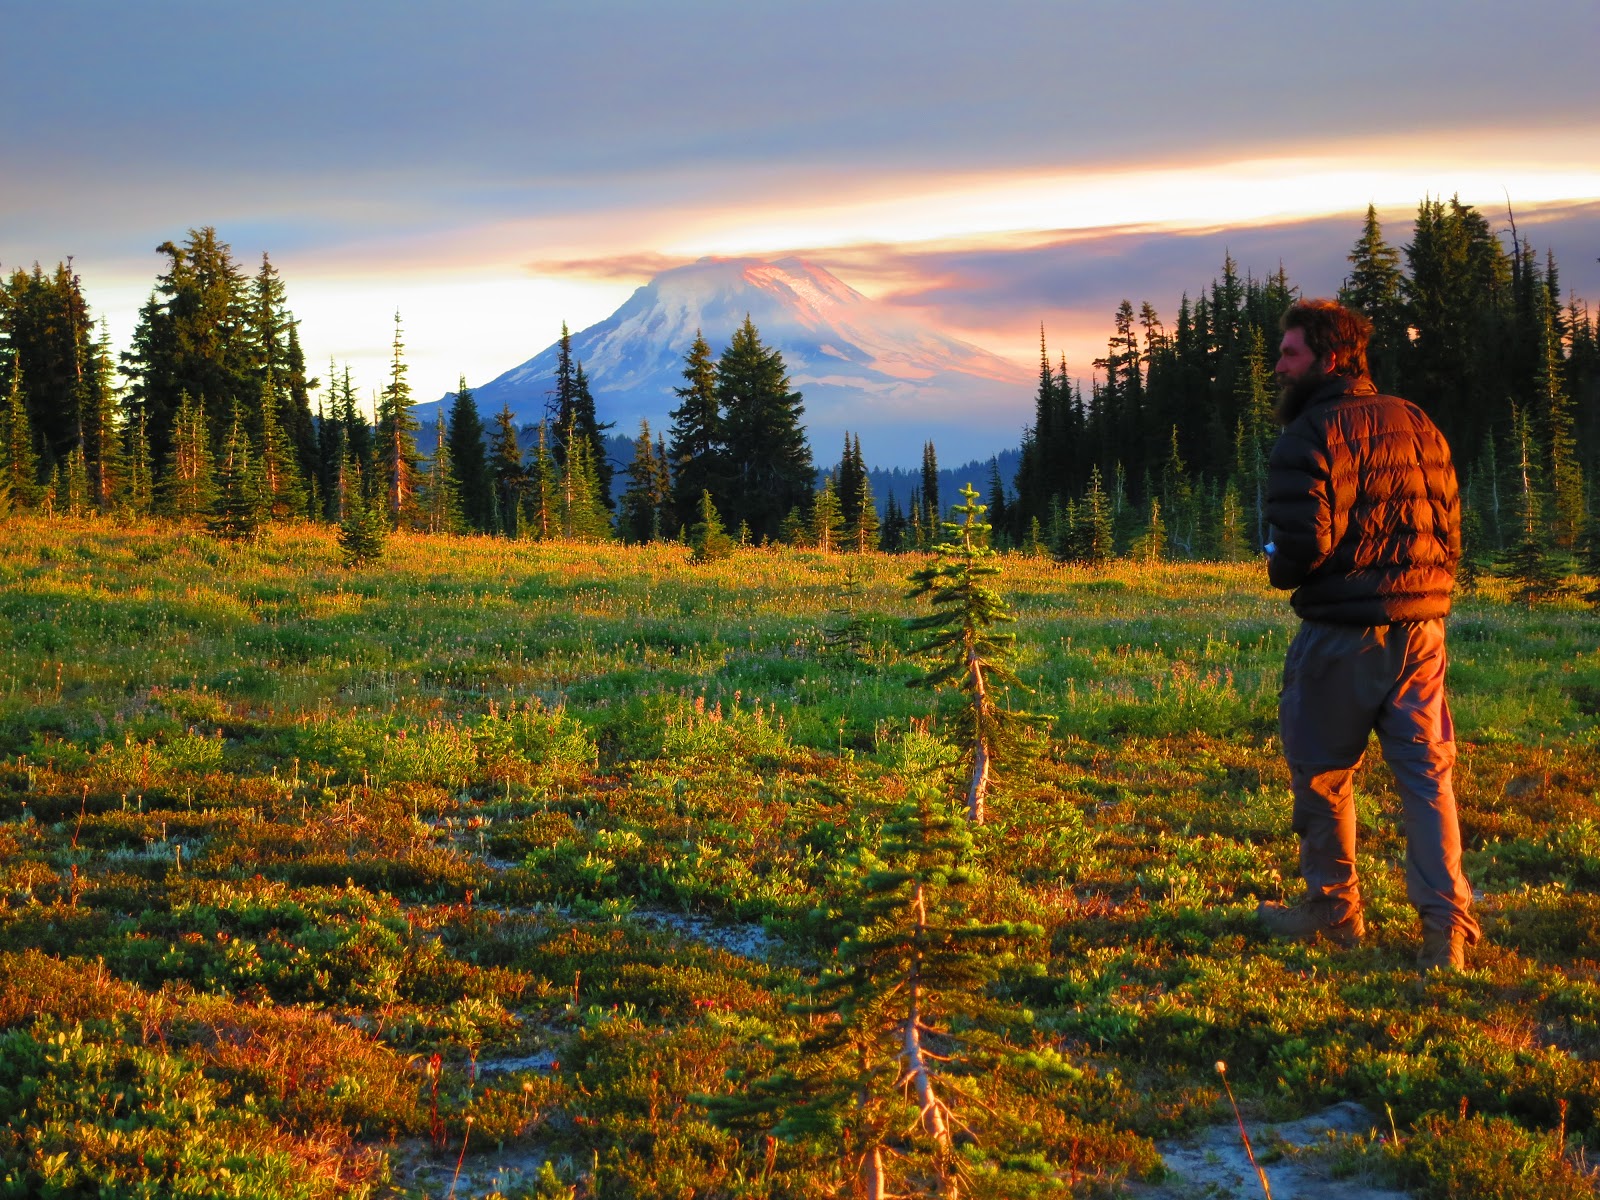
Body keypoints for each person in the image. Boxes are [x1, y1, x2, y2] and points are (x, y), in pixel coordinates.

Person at [1258, 298, 1479, 972]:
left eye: (1290, 353)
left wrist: (1277, 563)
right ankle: (1446, 932)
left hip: (1342, 636)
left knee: (1322, 774)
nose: (1279, 366)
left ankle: (1333, 910)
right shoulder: (1416, 421)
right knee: (1426, 778)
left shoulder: (1308, 434)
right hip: (1423, 631)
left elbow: (1302, 546)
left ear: (1328, 358)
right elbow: (1450, 527)